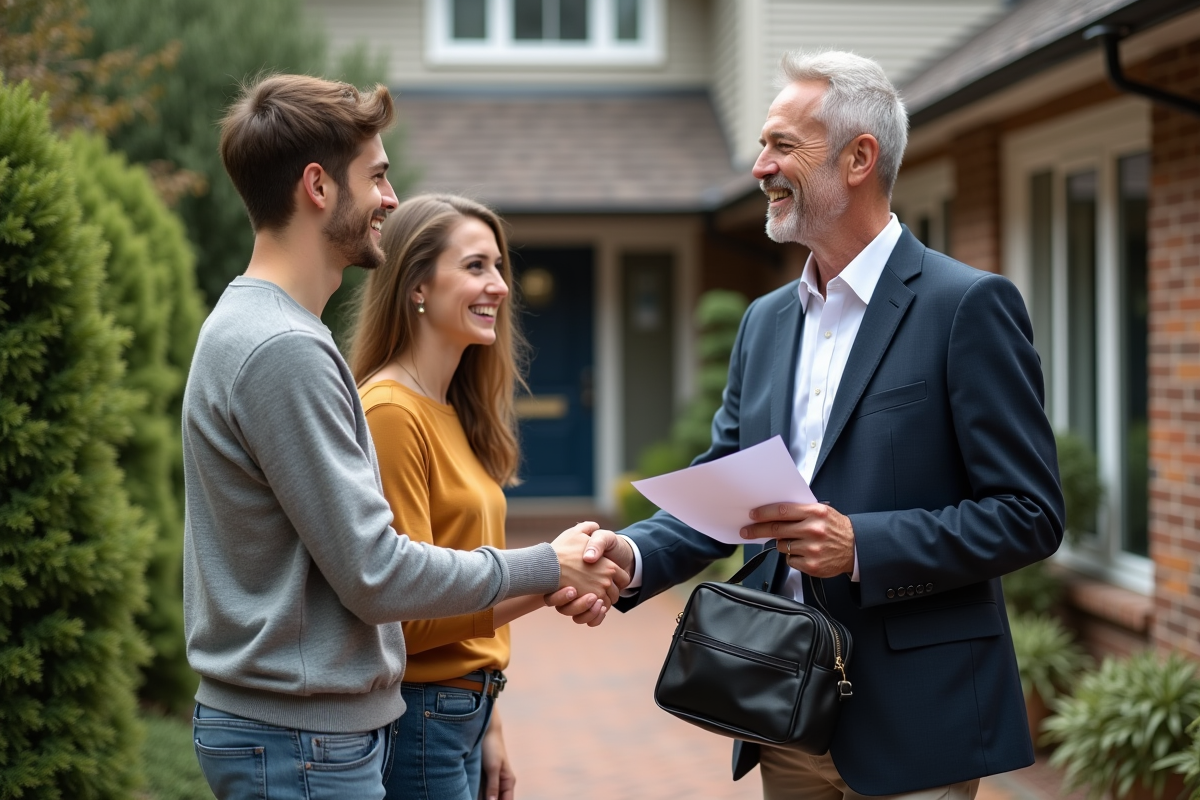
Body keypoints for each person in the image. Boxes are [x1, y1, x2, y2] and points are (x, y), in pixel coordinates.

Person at [558, 50, 1065, 799]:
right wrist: (630, 555)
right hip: (780, 709)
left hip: (916, 720)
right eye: (762, 145)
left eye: (782, 145)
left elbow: (1030, 514)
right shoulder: (764, 322)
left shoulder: (966, 307)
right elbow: (728, 490)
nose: (760, 166)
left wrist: (863, 546)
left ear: (859, 159)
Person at [182, 74, 626, 800]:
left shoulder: (263, 330)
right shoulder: (284, 348)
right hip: (300, 742)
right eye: (378, 176)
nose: (390, 199)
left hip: (297, 735)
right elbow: (377, 575)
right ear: (318, 186)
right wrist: (548, 566)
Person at [347, 194, 609, 800]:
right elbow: (403, 617)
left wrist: (490, 719)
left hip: (463, 712)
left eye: (498, 267)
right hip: (421, 718)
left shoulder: (449, 409)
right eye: (475, 266)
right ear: (416, 285)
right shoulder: (390, 413)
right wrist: (553, 578)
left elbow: (462, 582)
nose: (500, 286)